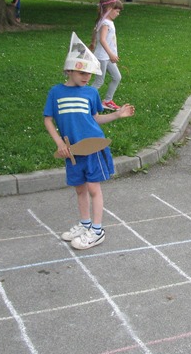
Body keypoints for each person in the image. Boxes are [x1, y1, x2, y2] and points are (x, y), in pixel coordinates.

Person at [43, 32, 135, 250]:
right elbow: (48, 120)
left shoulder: (91, 93)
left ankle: (97, 230)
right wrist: (59, 143)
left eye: (89, 73)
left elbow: (95, 118)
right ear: (69, 70)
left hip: (93, 146)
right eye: (81, 72)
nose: (86, 77)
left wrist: (116, 115)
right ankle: (85, 225)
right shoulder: (56, 92)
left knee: (94, 188)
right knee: (80, 188)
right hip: (72, 151)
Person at [90, 0, 124, 111]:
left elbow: (95, 32)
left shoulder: (105, 21)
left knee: (117, 77)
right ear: (109, 8)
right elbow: (103, 39)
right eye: (117, 11)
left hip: (107, 57)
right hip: (102, 57)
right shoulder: (105, 23)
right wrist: (111, 54)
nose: (118, 14)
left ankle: (107, 101)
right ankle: (85, 100)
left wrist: (92, 43)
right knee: (99, 81)